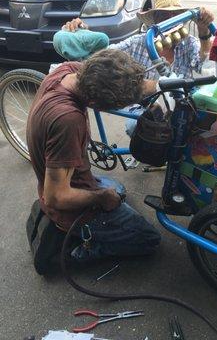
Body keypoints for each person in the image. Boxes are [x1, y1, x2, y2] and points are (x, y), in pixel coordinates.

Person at [26, 49, 161, 262]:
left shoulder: (69, 71)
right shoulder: (68, 120)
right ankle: (76, 250)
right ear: (95, 104)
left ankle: (100, 203)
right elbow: (56, 197)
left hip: (66, 179)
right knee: (149, 239)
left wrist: (163, 86)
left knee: (119, 191)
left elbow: (125, 78)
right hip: (63, 202)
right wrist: (101, 197)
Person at [58, 0, 214, 80]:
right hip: (147, 113)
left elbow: (204, 68)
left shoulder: (189, 43)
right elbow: (106, 55)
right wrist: (83, 32)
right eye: (164, 15)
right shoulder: (139, 43)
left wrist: (204, 32)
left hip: (183, 110)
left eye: (175, 15)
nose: (170, 20)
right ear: (155, 19)